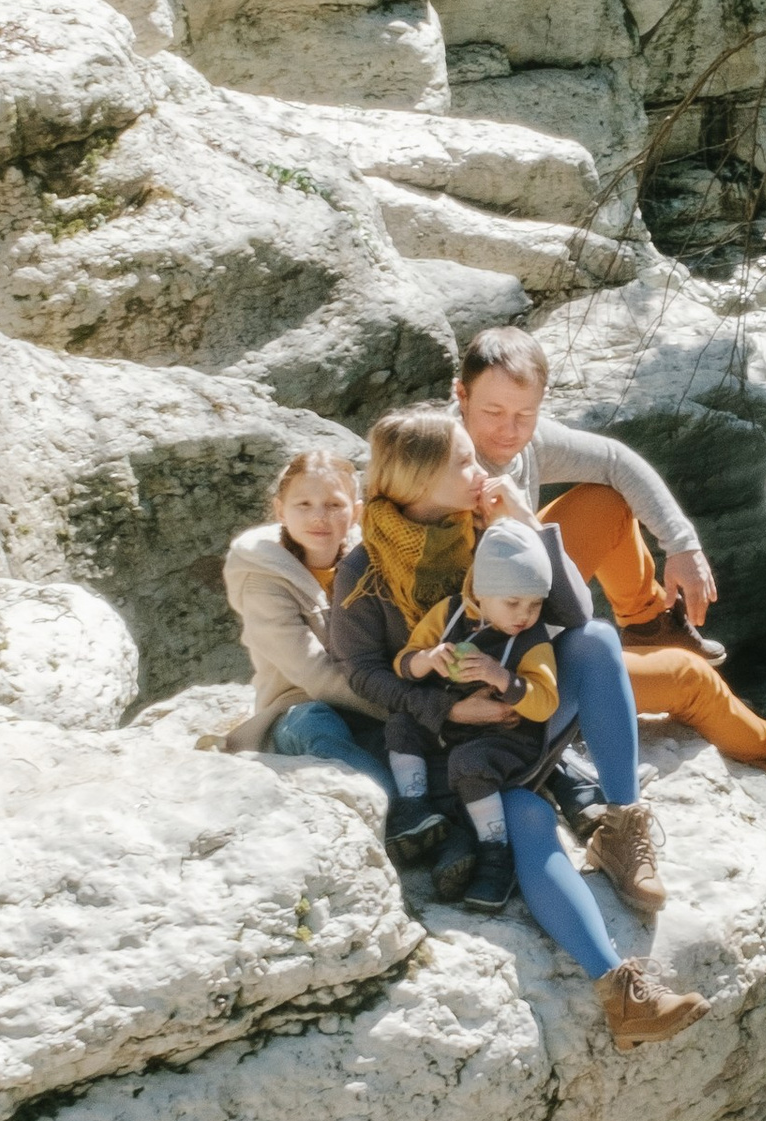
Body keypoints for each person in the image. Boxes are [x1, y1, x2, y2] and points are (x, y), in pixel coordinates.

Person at [330, 406, 710, 1050]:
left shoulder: (485, 530)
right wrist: (445, 709)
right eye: (466, 462)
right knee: (529, 821)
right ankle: (622, 995)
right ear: (419, 480)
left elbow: (572, 612)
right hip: (455, 751)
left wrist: (521, 522)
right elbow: (362, 674)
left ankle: (621, 824)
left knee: (593, 641)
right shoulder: (362, 569)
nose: (483, 469)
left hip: (526, 710)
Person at [452, 326, 766, 809]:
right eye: (492, 412)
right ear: (460, 395)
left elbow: (616, 460)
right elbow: (520, 611)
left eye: (525, 414)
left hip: (528, 603)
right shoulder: (442, 471)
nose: (509, 431)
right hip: (499, 661)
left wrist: (682, 546)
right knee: (690, 679)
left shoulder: (521, 443)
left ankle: (647, 626)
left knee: (604, 500)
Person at [388, 517, 583, 922]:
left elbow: (545, 702)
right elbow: (404, 662)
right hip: (455, 723)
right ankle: (416, 810)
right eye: (512, 603)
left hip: (507, 737)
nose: (524, 615)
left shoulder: (531, 639)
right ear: (480, 589)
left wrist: (503, 678)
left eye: (534, 605)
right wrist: (427, 660)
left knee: (469, 763)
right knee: (401, 725)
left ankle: (496, 854)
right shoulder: (449, 615)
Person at [222, 450, 423, 830]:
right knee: (316, 724)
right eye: (304, 504)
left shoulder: (369, 561)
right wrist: (407, 707)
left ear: (357, 512)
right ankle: (402, 815)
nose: (319, 517)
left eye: (334, 504)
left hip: (372, 698)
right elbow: (314, 673)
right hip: (298, 706)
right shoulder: (261, 576)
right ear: (280, 510)